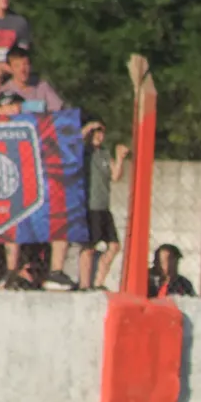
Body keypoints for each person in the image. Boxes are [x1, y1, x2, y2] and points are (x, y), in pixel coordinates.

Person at [78, 119, 128, 290]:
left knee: (114, 246)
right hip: (89, 206)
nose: (98, 136)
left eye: (101, 132)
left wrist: (120, 158)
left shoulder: (104, 153)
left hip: (103, 206)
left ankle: (98, 282)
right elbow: (73, 143)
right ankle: (84, 284)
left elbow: (115, 176)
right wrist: (87, 128)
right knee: (89, 247)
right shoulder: (84, 152)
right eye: (95, 132)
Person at [0, 47, 64, 113]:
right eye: (17, 66)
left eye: (26, 65)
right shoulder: (4, 91)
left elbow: (59, 110)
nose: (22, 70)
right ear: (10, 68)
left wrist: (24, 107)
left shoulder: (42, 86)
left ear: (30, 66)